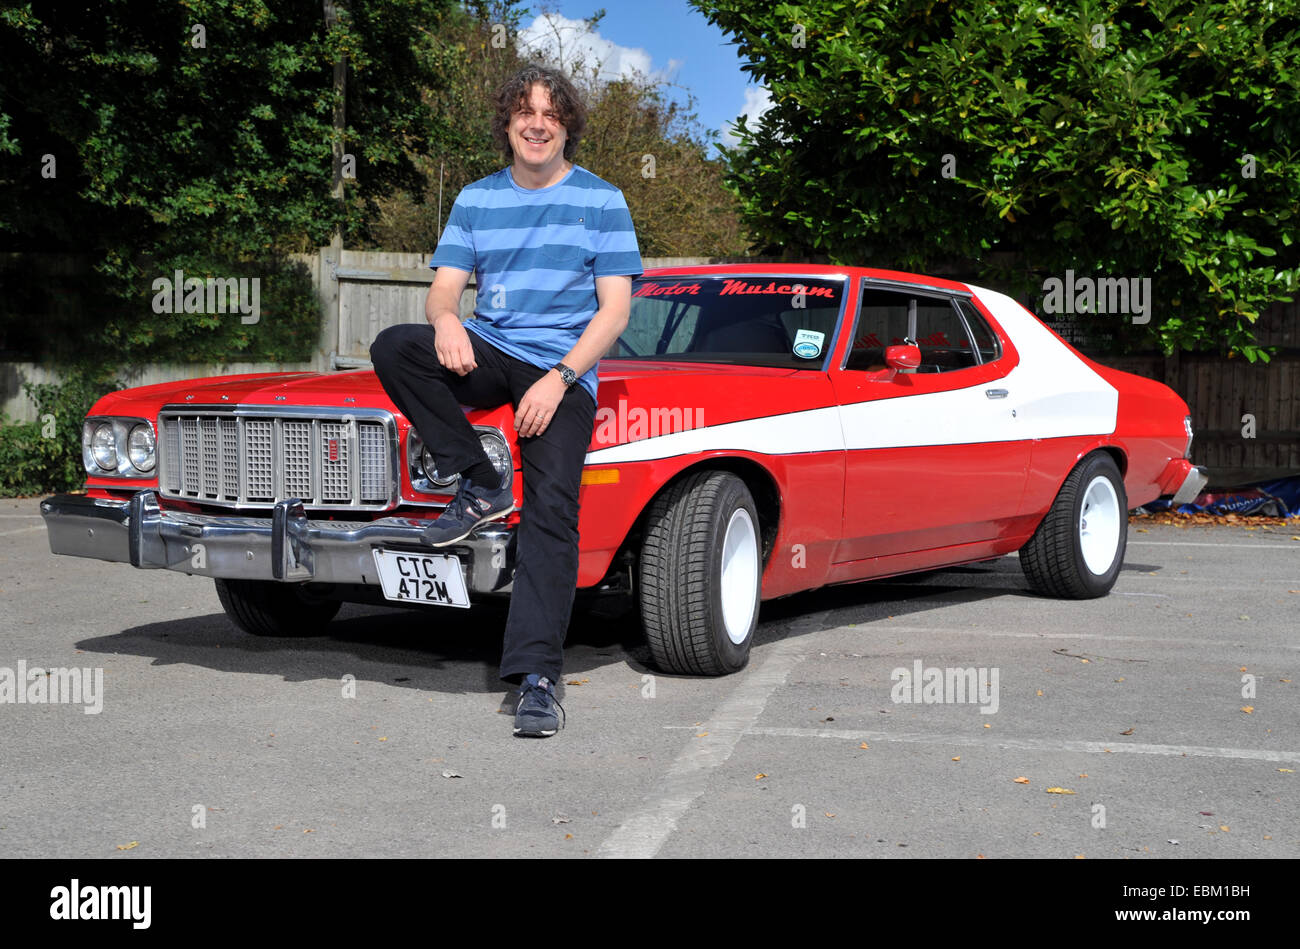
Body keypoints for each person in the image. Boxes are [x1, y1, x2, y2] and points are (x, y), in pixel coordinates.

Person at [369, 64, 643, 738]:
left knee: (552, 509)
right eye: (526, 112)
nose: (538, 124)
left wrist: (563, 376)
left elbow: (614, 313)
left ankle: (536, 678)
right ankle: (481, 479)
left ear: (566, 124)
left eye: (550, 113)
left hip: (563, 365)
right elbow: (443, 290)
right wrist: (447, 321)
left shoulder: (602, 200)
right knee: (395, 345)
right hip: (490, 348)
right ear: (509, 124)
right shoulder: (476, 199)